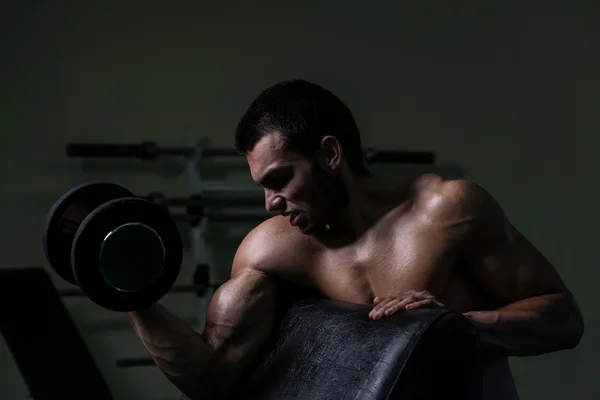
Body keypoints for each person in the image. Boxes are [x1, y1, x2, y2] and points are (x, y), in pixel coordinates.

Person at [128, 80, 584, 399]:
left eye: (281, 179)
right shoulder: (272, 252)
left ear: (330, 154)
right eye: (262, 186)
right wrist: (133, 295)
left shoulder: (447, 210)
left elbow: (564, 319)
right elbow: (213, 378)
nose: (270, 203)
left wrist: (457, 327)